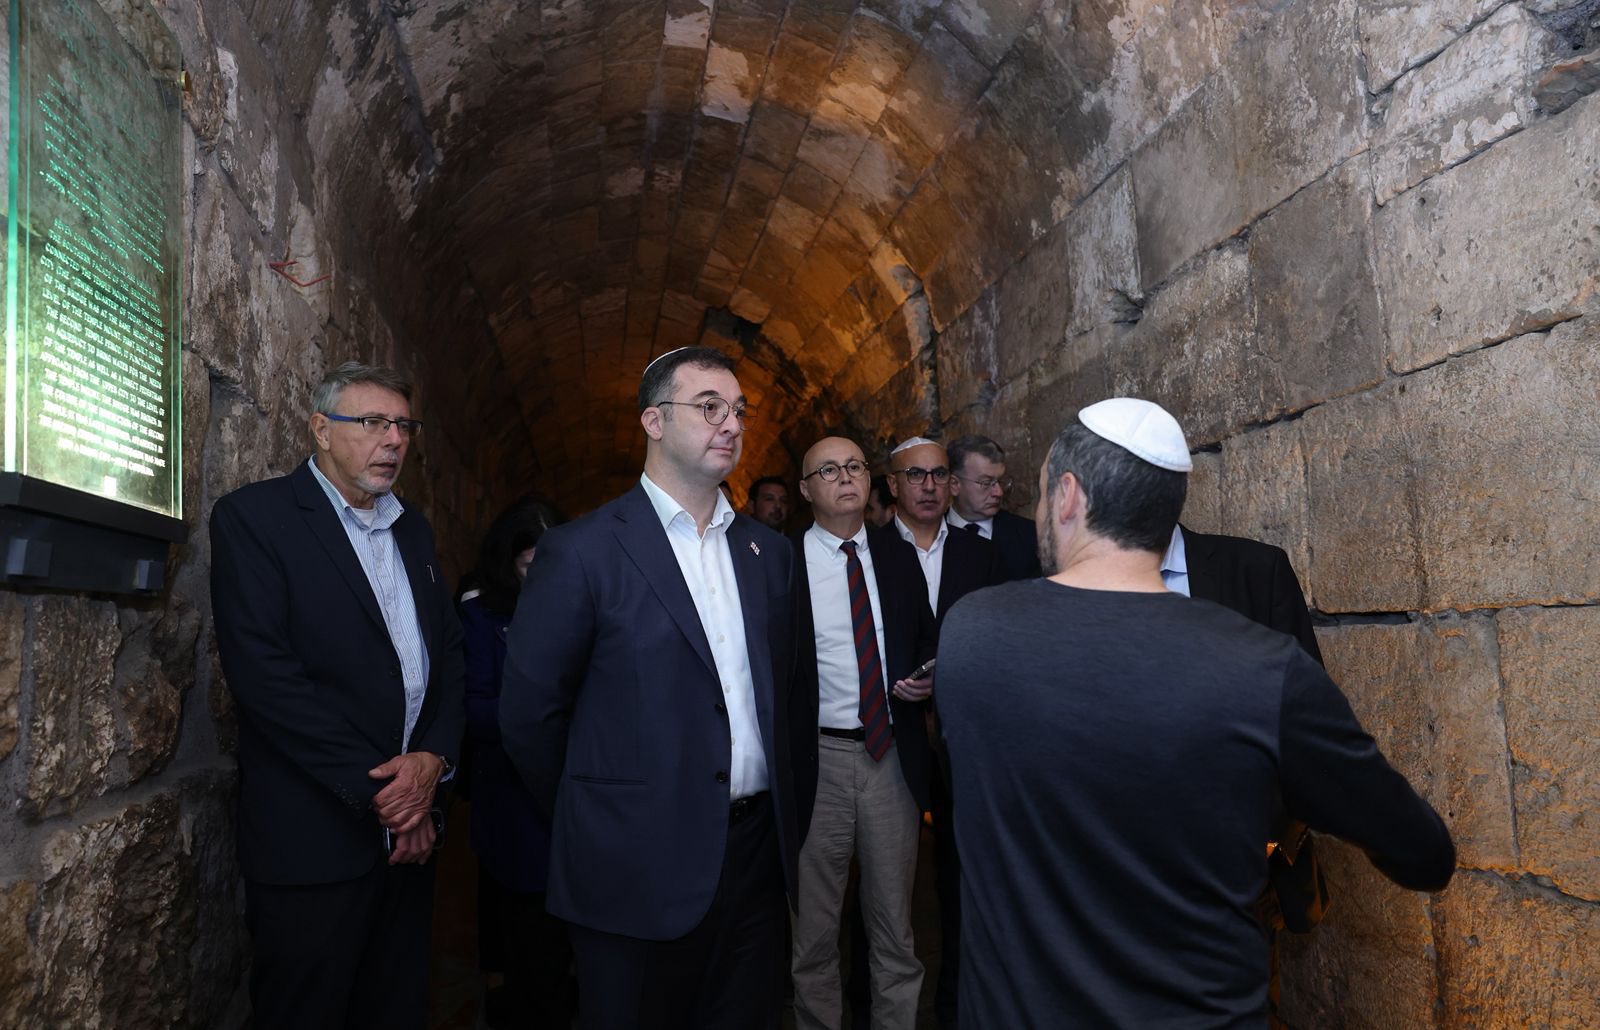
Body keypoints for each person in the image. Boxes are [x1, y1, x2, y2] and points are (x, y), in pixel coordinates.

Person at [937, 398, 1456, 1027]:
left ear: (1068, 496)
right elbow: (1424, 854)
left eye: (1044, 492)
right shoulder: (1263, 668)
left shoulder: (971, 634)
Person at [498, 346, 799, 1029]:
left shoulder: (769, 554)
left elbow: (789, 698)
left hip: (754, 866)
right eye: (709, 407)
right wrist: (602, 811)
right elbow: (530, 717)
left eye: (738, 410)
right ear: (654, 422)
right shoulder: (582, 551)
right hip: (631, 866)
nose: (731, 424)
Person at [209, 361, 465, 1028]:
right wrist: (390, 796)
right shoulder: (256, 519)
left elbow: (449, 658)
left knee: (396, 1007)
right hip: (315, 844)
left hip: (410, 845)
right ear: (320, 430)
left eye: (403, 426)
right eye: (373, 422)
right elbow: (267, 678)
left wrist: (432, 762)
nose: (394, 440)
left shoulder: (413, 530)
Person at [789, 436, 936, 1030]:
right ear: (806, 490)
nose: (845, 476)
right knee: (814, 935)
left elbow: (925, 636)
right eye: (828, 470)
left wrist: (927, 676)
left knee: (895, 933)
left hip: (890, 758)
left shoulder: (897, 556)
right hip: (816, 762)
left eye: (854, 466)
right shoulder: (781, 563)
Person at [882, 436, 1003, 1027]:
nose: (928, 486)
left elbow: (996, 640)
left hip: (965, 743)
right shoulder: (869, 552)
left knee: (962, 877)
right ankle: (871, 1003)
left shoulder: (981, 555)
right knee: (884, 883)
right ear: (893, 485)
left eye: (937, 475)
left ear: (951, 485)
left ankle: (956, 1007)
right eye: (915, 476)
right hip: (891, 741)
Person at [461, 498, 572, 1028]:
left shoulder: (580, 607)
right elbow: (473, 707)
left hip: (573, 798)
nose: (542, 577)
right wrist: (544, 716)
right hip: (513, 798)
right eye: (531, 565)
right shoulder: (481, 615)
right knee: (526, 930)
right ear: (510, 562)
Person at [946, 435, 1041, 581]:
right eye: (986, 483)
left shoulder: (1031, 536)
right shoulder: (930, 534)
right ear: (954, 484)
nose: (999, 492)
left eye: (1001, 481)